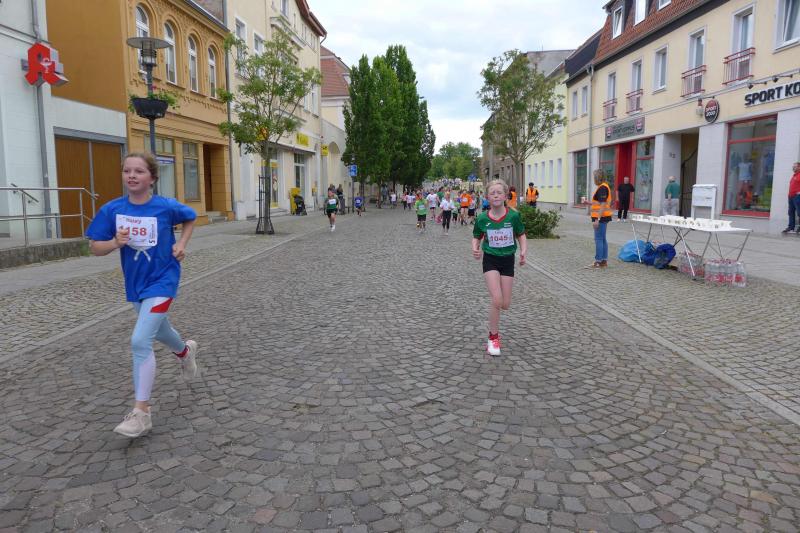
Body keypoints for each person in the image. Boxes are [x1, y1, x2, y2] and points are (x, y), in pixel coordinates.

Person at [85, 152, 198, 438]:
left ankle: (141, 412)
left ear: (152, 178)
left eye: (139, 171)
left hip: (163, 281)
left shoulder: (165, 206)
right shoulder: (113, 209)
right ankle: (185, 352)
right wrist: (114, 242)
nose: (132, 176)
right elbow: (95, 247)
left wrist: (181, 244)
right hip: (136, 285)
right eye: (127, 171)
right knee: (161, 331)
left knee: (140, 340)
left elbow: (190, 217)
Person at [472, 179, 526, 357]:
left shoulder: (513, 217)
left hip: (508, 260)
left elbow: (521, 235)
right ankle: (493, 338)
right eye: (492, 193)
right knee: (496, 299)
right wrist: (475, 248)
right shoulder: (482, 218)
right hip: (490, 260)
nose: (496, 196)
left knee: (505, 304)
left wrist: (523, 251)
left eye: (499, 193)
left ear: (505, 196)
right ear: (487, 197)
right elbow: (476, 236)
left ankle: (494, 332)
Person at [589, 170, 613, 268]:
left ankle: (598, 261)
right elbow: (600, 203)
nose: (593, 179)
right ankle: (603, 261)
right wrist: (589, 203)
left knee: (598, 239)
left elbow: (603, 205)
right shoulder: (604, 187)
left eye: (594, 177)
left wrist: (597, 219)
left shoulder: (602, 188)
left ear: (598, 178)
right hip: (604, 216)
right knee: (602, 239)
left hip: (601, 217)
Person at [782, 162, 800, 234]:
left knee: (799, 212)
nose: (793, 167)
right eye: (793, 166)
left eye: (795, 166)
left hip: (797, 196)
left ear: (799, 167)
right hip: (791, 197)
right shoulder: (794, 176)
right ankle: (791, 227)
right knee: (791, 212)